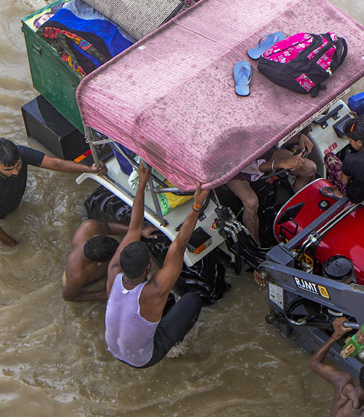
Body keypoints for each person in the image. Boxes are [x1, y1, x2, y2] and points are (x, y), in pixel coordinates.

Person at [105, 160, 210, 368]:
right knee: (192, 299)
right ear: (148, 268)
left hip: (114, 349)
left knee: (166, 300)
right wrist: (197, 206)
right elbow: (179, 245)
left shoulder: (113, 271)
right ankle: (174, 345)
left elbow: (133, 229)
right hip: (143, 358)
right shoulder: (153, 291)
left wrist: (142, 184)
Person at [0, 138, 106, 247]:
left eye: (17, 166)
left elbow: (56, 164)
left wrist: (89, 169)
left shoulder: (21, 153)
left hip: (11, 200)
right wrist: (11, 243)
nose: (15, 172)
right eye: (8, 169)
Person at [222, 131, 317, 244]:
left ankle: (293, 216)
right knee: (251, 202)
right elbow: (251, 167)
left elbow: (276, 136)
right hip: (233, 169)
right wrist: (282, 163)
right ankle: (256, 244)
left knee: (309, 168)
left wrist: (300, 137)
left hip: (263, 152)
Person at [61, 219, 131, 302]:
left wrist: (137, 230)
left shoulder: (89, 227)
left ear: (96, 236)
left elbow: (108, 227)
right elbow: (68, 297)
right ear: (100, 263)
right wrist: (105, 294)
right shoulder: (77, 276)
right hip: (84, 285)